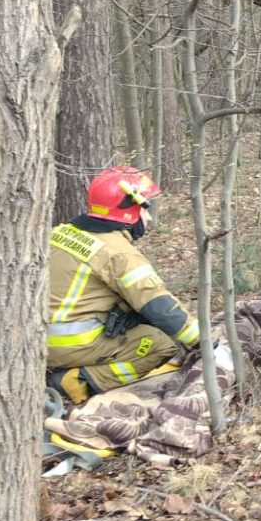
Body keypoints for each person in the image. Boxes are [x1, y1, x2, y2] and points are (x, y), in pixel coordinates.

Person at [45, 166, 201, 403]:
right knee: (161, 343)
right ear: (127, 212)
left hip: (37, 336)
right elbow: (160, 307)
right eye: (144, 210)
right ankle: (76, 382)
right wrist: (204, 342)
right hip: (70, 344)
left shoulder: (59, 232)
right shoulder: (119, 253)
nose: (148, 218)